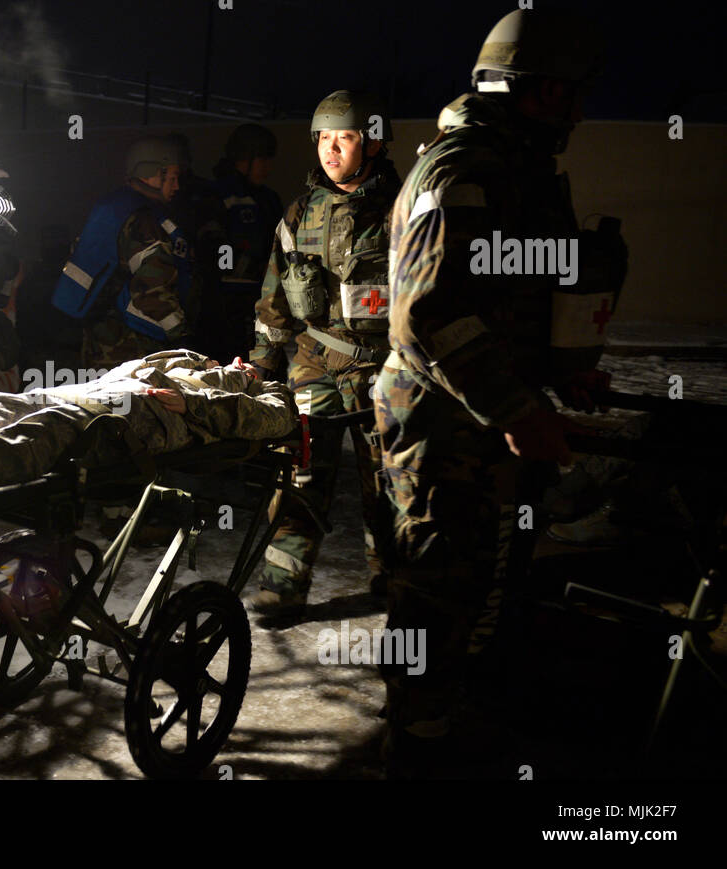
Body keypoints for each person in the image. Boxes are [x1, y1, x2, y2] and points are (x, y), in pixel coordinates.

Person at [373, 8, 624, 776]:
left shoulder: (521, 168)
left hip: (489, 419)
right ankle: (417, 744)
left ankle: (454, 711)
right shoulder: (465, 170)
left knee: (486, 577)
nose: (580, 112)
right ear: (541, 89)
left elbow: (511, 296)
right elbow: (429, 313)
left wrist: (555, 371)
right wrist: (515, 408)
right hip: (444, 426)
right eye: (573, 94)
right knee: (439, 585)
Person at [247, 91, 401, 620]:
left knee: (386, 480)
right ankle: (283, 583)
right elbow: (274, 292)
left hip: (384, 367)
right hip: (315, 361)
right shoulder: (300, 212)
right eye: (325, 138)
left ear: (372, 143)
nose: (332, 150)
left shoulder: (403, 210)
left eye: (347, 137)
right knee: (301, 470)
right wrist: (262, 359)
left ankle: (394, 576)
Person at [0, 351, 297, 502]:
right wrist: (192, 364)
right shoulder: (193, 361)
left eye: (253, 367)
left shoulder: (270, 392)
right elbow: (131, 367)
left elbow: (275, 420)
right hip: (98, 392)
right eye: (241, 360)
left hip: (147, 417)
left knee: (48, 430)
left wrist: (192, 401)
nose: (244, 364)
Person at [52, 137, 194, 371]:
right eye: (172, 177)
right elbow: (152, 291)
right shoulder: (145, 221)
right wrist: (182, 336)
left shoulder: (115, 208)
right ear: (151, 173)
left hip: (100, 340)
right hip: (131, 347)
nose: (177, 186)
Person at [199, 123, 282, 364]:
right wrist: (256, 269)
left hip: (263, 301)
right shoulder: (217, 196)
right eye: (263, 160)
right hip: (225, 304)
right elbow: (214, 250)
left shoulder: (268, 199)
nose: (268, 168)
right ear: (244, 160)